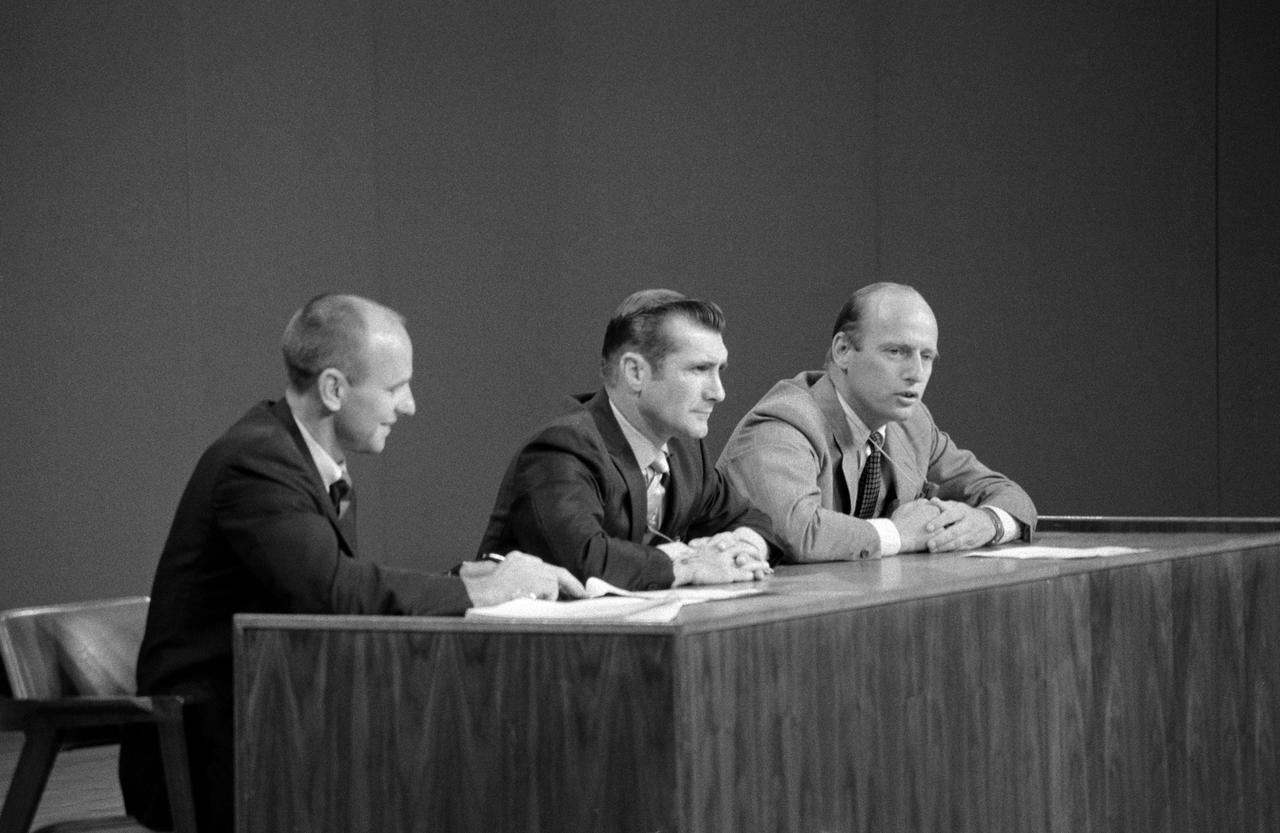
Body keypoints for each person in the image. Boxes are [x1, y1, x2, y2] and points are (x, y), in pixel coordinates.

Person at [119, 294, 583, 833]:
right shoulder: (257, 460)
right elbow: (329, 593)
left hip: (279, 723)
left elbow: (322, 591)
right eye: (393, 388)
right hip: (212, 750)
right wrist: (482, 593)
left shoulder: (305, 459)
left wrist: (457, 581)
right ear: (335, 389)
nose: (408, 406)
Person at [477, 289, 781, 591]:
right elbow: (585, 561)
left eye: (720, 370)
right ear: (635, 372)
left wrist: (744, 549)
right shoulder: (562, 449)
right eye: (699, 369)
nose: (718, 392)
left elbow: (753, 521)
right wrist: (690, 564)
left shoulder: (686, 451)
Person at [717, 282, 1036, 562]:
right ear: (843, 351)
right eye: (896, 352)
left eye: (926, 357)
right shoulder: (783, 424)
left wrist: (987, 523)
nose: (916, 373)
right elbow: (795, 533)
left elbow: (1007, 494)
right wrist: (899, 535)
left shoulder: (912, 425)